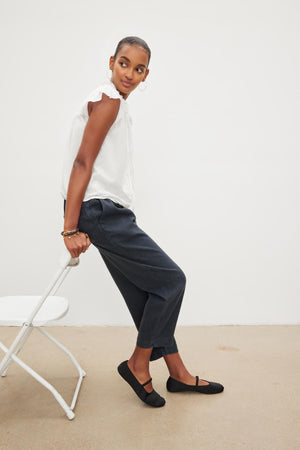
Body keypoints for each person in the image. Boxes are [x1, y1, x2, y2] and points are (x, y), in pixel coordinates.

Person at [61, 36, 224, 407]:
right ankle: (138, 364)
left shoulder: (113, 102)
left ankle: (178, 373)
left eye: (138, 68)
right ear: (111, 62)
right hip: (100, 212)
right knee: (172, 281)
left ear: (146, 73)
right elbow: (82, 162)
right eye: (124, 63)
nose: (130, 73)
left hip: (106, 212)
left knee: (150, 295)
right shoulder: (108, 101)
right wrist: (70, 228)